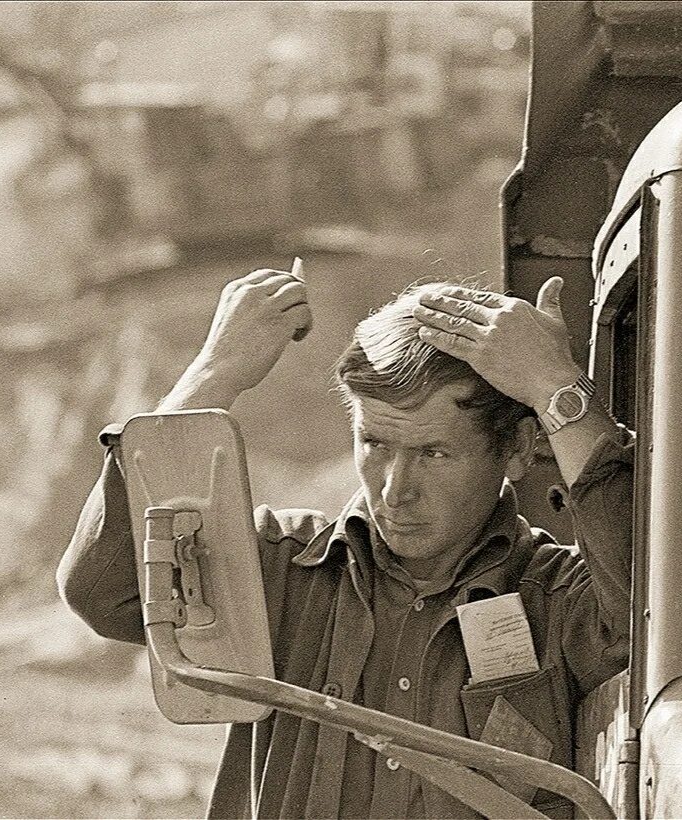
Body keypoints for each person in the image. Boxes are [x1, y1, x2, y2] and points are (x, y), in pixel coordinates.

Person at [57, 264, 633, 819]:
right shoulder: (280, 569)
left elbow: (651, 618)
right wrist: (212, 374)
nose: (395, 489)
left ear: (516, 450)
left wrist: (557, 389)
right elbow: (104, 592)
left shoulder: (561, 601)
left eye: (434, 453)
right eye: (374, 443)